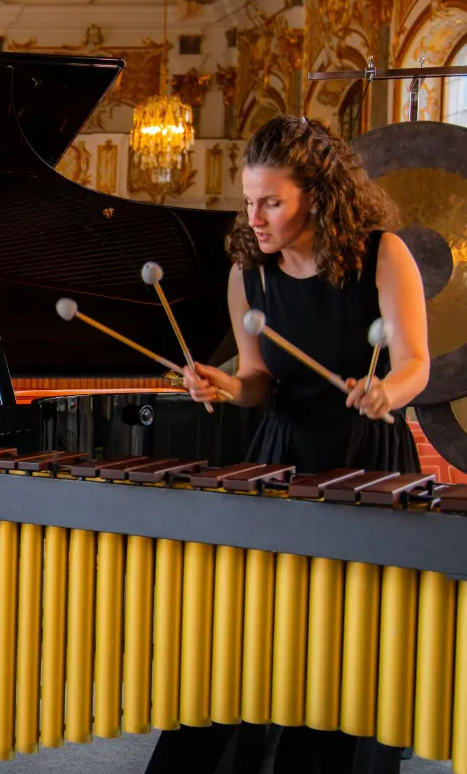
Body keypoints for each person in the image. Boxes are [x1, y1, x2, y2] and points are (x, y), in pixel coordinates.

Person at [159, 115, 428, 774]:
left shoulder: (381, 253)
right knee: (263, 632)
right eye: (250, 201)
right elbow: (258, 381)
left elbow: (415, 362)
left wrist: (386, 392)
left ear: (318, 194)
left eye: (272, 202)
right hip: (284, 457)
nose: (256, 216)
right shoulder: (248, 274)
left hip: (368, 457)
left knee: (353, 642)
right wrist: (226, 383)